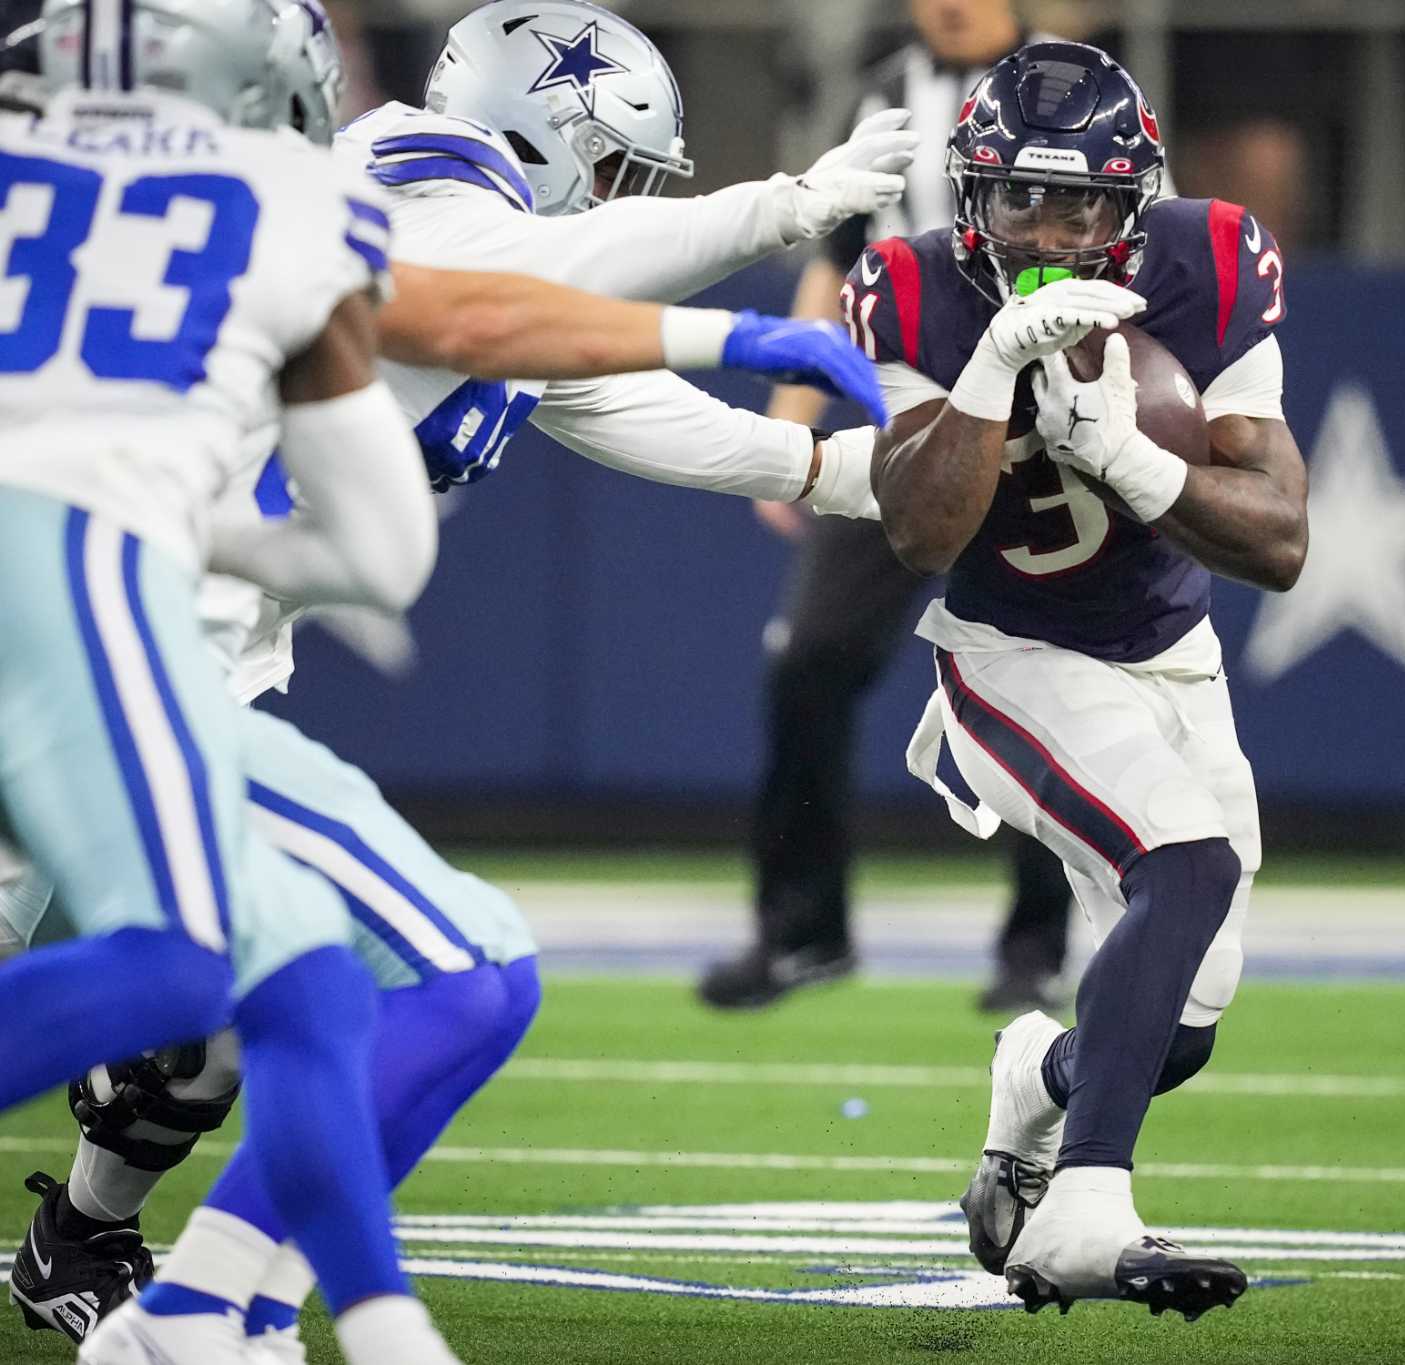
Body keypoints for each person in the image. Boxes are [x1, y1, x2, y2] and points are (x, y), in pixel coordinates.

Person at [5, 2, 907, 1357]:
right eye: (602, 162)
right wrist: (783, 212)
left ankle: (145, 1272)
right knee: (400, 970)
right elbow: (522, 293)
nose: (607, 197)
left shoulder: (340, 224)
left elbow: (564, 357)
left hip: (174, 650)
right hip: (98, 643)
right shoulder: (412, 189)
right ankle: (238, 1314)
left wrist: (818, 470)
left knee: (279, 981)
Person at [0, 0, 463, 1360]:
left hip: (156, 665)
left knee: (268, 981)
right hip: (70, 651)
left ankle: (178, 1275)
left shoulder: (257, 231)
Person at [864, 41, 1308, 1315]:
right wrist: (993, 369)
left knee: (1178, 1028)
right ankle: (1084, 1213)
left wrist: (1122, 454)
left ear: (1137, 199)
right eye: (1018, 197)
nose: (1050, 229)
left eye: (1082, 202)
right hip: (1007, 651)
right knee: (1184, 860)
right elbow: (919, 536)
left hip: (1171, 648)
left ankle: (1035, 1089)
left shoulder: (1210, 260)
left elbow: (1277, 539)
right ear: (970, 196)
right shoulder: (908, 289)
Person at [703, 0, 1077, 1014]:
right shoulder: (883, 93)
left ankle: (1035, 947)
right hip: (901, 425)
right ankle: (802, 931)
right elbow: (841, 250)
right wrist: (792, 409)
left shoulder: (1073, 92)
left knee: (1038, 682)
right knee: (809, 659)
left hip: (1035, 432)